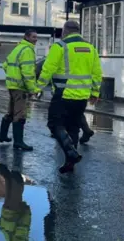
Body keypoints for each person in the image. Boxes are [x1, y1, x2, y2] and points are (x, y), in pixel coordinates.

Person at [38, 20, 102, 173]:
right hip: (82, 97)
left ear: (65, 30)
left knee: (54, 124)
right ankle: (70, 163)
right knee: (73, 128)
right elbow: (97, 72)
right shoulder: (90, 48)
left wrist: (37, 87)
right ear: (79, 30)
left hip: (63, 94)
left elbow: (48, 68)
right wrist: (95, 92)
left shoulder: (60, 46)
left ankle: (71, 153)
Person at [37, 57, 95, 144]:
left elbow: (45, 74)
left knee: (60, 114)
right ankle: (86, 130)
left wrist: (38, 89)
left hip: (61, 89)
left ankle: (61, 133)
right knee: (76, 112)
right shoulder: (67, 57)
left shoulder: (48, 61)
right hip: (76, 88)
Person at [0, 30, 40, 151]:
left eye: (36, 37)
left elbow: (5, 65)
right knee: (20, 114)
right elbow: (27, 72)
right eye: (33, 37)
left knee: (11, 112)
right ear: (27, 37)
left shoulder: (18, 48)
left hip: (12, 85)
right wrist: (33, 89)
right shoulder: (27, 50)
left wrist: (12, 77)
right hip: (20, 87)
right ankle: (18, 142)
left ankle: (3, 136)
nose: (36, 39)